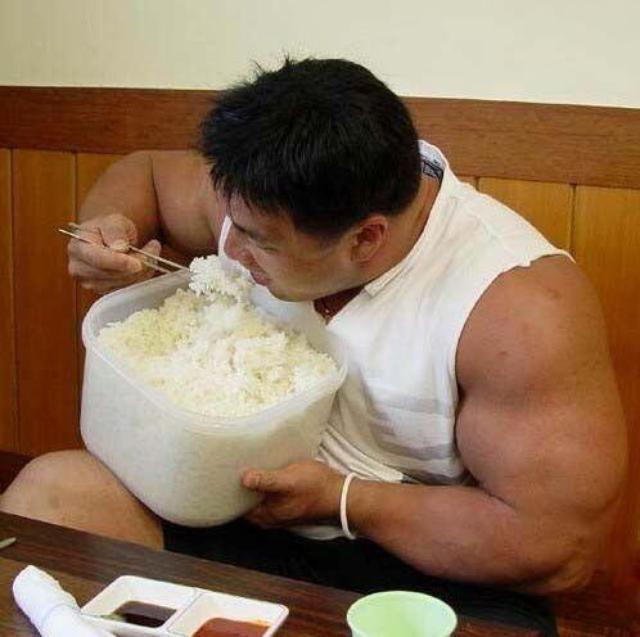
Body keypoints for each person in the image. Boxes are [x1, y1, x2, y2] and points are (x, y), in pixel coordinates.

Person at [1, 58, 626, 635]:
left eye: (260, 242)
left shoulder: (516, 307)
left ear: (365, 240)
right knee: (52, 492)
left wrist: (342, 500)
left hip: (422, 570)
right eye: (233, 224)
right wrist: (109, 227)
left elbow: (555, 548)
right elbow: (147, 174)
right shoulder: (267, 189)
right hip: (228, 514)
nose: (231, 249)